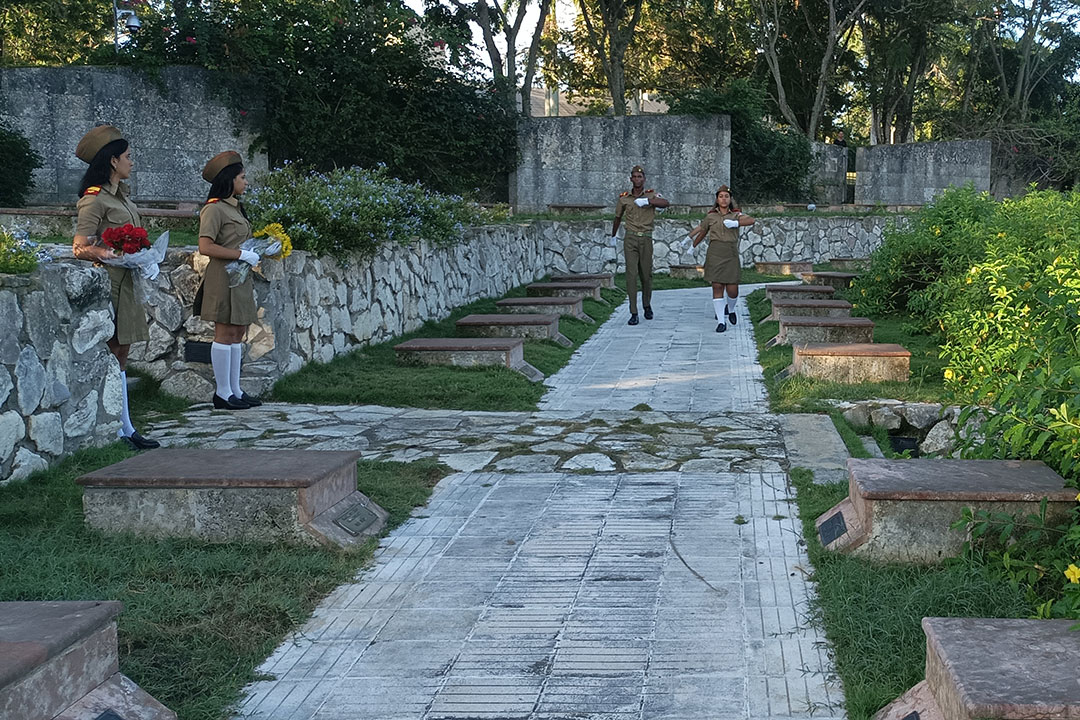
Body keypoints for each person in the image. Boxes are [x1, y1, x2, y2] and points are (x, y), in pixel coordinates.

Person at [71, 125, 160, 450]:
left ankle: (125, 425)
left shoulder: (122, 195)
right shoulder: (94, 199)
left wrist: (143, 257)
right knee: (114, 351)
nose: (131, 162)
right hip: (110, 282)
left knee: (123, 351)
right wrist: (107, 253)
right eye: (127, 157)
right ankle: (121, 428)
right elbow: (79, 247)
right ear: (112, 162)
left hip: (128, 281)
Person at [193, 151, 262, 410]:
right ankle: (222, 393)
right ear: (229, 180)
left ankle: (236, 390)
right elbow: (205, 246)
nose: (246, 182)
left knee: (238, 332)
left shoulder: (235, 207)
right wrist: (240, 254)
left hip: (239, 276)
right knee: (223, 332)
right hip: (222, 276)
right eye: (242, 177)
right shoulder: (213, 209)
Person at [687, 185, 755, 333]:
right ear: (717, 199)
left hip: (730, 254)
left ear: (730, 199)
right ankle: (721, 322)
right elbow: (702, 230)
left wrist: (736, 223)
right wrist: (691, 243)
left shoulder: (736, 214)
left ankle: (730, 309)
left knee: (732, 290)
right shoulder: (711, 216)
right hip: (715, 253)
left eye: (726, 196)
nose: (724, 199)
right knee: (717, 286)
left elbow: (751, 220)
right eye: (721, 196)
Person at [611, 165, 669, 325]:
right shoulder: (624, 198)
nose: (637, 179)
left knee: (646, 274)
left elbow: (665, 203)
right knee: (631, 275)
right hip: (630, 238)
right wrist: (613, 235)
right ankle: (633, 312)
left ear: (644, 179)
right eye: (634, 177)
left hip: (646, 238)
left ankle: (647, 305)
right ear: (631, 179)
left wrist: (649, 201)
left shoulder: (651, 194)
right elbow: (617, 217)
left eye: (640, 177)